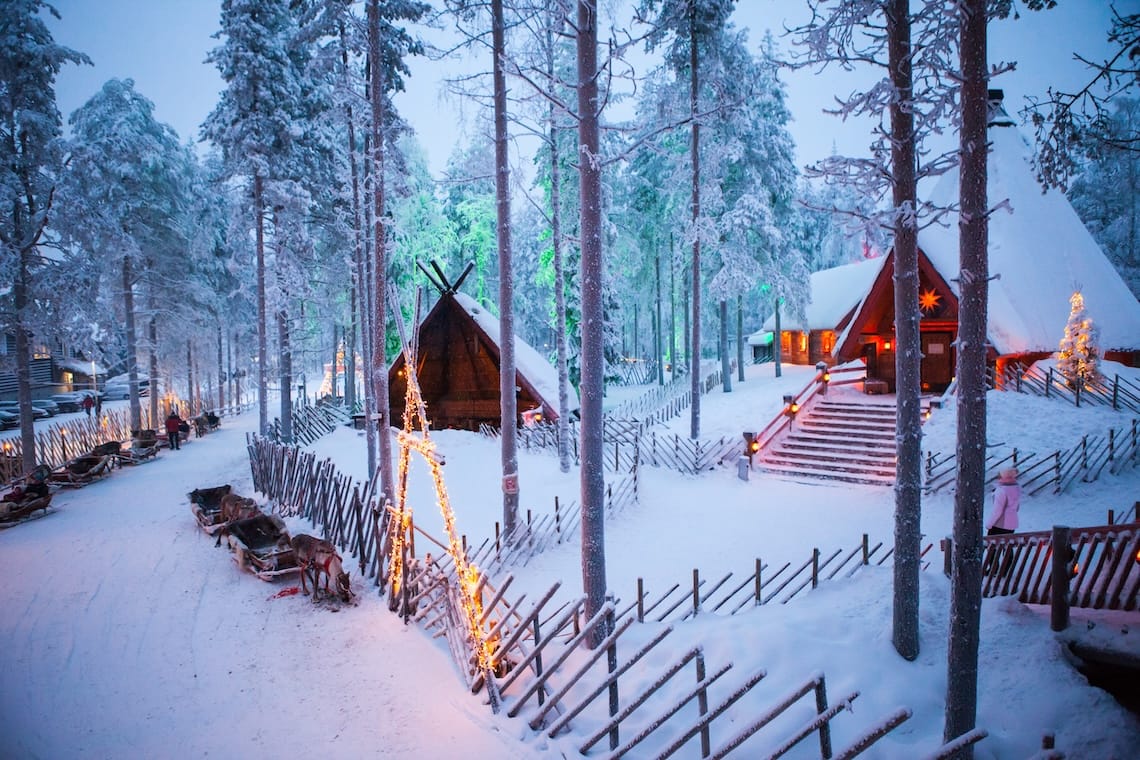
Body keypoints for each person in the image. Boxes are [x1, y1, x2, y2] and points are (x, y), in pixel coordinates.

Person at [985, 467, 1021, 536]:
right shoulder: (1017, 488)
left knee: (992, 542)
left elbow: (997, 511)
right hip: (1012, 524)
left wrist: (989, 524)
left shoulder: (1001, 490)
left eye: (999, 475)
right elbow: (1017, 508)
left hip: (1000, 524)